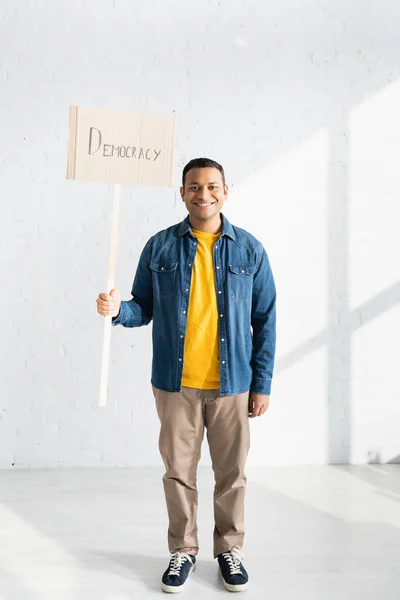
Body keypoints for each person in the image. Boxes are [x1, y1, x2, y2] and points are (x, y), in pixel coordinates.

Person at [96, 157, 276, 594]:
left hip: (232, 385)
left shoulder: (249, 250)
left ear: (225, 191)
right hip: (175, 385)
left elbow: (265, 319)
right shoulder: (159, 247)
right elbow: (143, 307)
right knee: (178, 472)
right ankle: (183, 551)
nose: (204, 194)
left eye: (212, 186)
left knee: (231, 472)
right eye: (194, 187)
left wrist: (262, 384)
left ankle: (229, 550)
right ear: (182, 193)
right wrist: (119, 310)